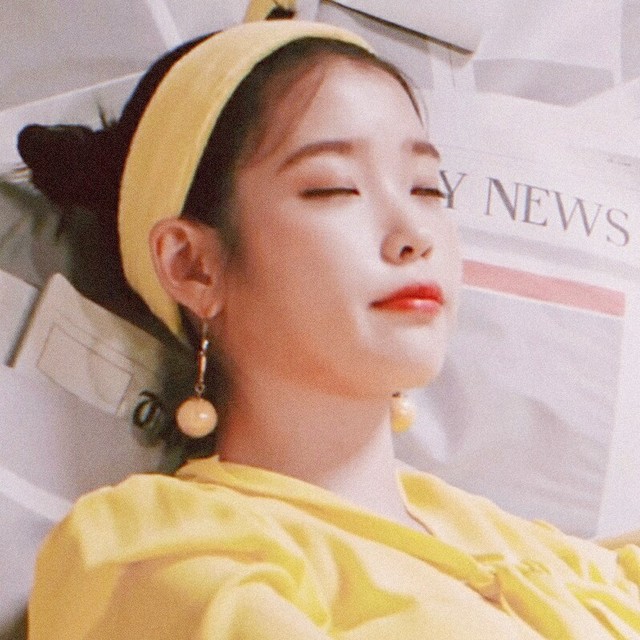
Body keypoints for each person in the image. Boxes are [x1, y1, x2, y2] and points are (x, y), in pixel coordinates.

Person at [19, 9, 640, 640]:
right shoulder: (154, 551)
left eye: (428, 189)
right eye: (335, 189)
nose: (413, 234)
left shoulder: (536, 550)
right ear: (193, 265)